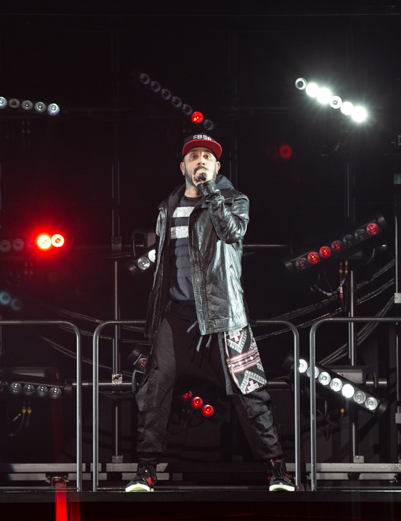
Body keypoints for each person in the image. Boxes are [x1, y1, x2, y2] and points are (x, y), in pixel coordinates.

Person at [126, 134, 295, 492]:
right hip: (176, 314)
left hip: (222, 314)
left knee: (250, 391)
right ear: (182, 166)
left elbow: (232, 233)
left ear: (216, 167)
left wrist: (211, 192)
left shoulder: (233, 199)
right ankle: (145, 471)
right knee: (154, 388)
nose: (200, 161)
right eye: (193, 156)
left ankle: (277, 471)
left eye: (207, 157)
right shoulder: (168, 205)